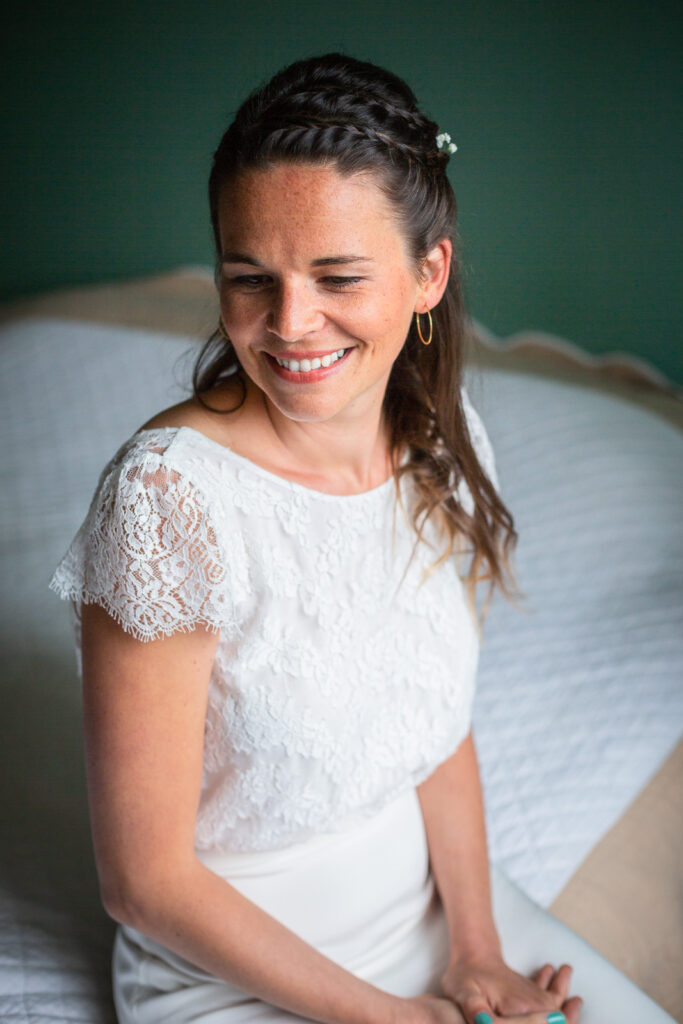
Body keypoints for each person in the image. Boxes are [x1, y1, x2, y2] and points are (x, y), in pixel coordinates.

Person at [49, 53, 584, 1024]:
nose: (289, 326)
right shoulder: (167, 501)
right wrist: (394, 1017)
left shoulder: (445, 440)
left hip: (430, 915)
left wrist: (474, 951)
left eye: (336, 275)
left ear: (429, 272)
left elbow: (433, 718)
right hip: (224, 974)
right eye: (249, 278)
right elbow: (144, 882)